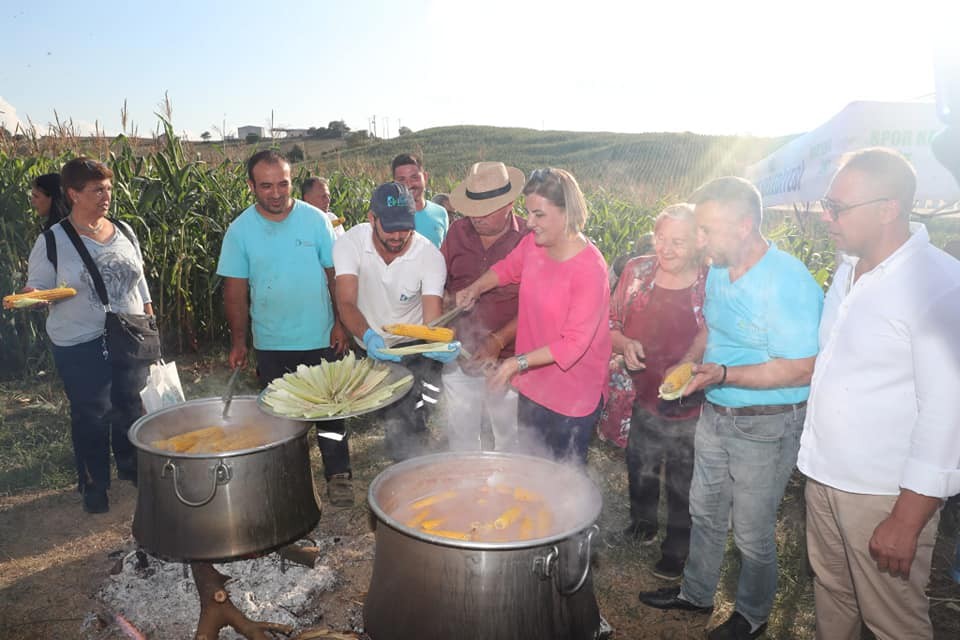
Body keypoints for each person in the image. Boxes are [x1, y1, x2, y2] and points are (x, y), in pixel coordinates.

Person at [638, 176, 823, 640]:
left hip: (766, 424)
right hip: (716, 413)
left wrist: (722, 375)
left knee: (752, 531)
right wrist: (688, 365)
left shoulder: (787, 280)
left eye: (708, 230)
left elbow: (802, 368)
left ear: (744, 226)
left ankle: (752, 615)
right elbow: (713, 333)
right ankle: (696, 594)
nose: (701, 241)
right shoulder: (721, 270)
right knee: (705, 510)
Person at [798, 148, 960, 640]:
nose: (827, 215)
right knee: (833, 596)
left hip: (882, 493)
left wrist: (907, 520)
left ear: (888, 208)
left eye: (837, 207)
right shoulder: (849, 269)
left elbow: (948, 409)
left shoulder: (938, 285)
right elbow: (832, 363)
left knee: (893, 623)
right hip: (824, 477)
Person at [216, 151, 354, 506]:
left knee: (330, 410)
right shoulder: (240, 230)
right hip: (273, 341)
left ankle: (338, 475)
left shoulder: (316, 221)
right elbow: (235, 290)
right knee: (281, 416)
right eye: (266, 186)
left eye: (283, 184)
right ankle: (291, 480)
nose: (276, 193)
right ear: (250, 186)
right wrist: (239, 342)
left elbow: (333, 274)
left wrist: (341, 323)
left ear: (292, 181)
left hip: (321, 336)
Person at [24, 157, 154, 514]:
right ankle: (94, 484)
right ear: (73, 194)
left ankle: (133, 469)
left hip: (129, 336)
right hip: (81, 341)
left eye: (109, 189)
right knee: (93, 414)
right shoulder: (52, 241)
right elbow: (37, 287)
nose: (106, 196)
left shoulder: (124, 230)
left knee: (130, 406)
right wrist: (33, 297)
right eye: (97, 190)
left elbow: (139, 278)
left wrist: (148, 313)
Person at [456, 168, 611, 465]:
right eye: (528, 213)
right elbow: (506, 269)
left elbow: (574, 344)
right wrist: (476, 287)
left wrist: (515, 362)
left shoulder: (590, 269)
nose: (529, 223)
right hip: (533, 384)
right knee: (530, 467)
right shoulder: (533, 246)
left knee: (563, 480)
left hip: (572, 395)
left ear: (567, 214)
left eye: (539, 215)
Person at [608, 204, 707, 581]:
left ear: (699, 241)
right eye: (660, 239)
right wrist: (624, 343)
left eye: (677, 242)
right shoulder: (637, 270)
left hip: (691, 402)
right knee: (640, 463)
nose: (665, 249)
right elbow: (611, 321)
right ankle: (642, 525)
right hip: (641, 393)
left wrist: (687, 364)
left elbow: (712, 330)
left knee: (684, 477)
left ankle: (677, 548)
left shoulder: (710, 280)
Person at [333, 182, 458, 461]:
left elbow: (431, 318)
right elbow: (346, 303)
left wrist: (440, 340)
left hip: (411, 343)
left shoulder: (429, 257)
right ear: (371, 218)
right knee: (389, 411)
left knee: (410, 415)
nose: (398, 236)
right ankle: (402, 453)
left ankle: (411, 461)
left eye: (405, 227)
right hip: (369, 338)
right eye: (389, 227)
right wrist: (368, 337)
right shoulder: (349, 244)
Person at [442, 162, 528, 451]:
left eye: (487, 209)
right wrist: (446, 304)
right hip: (460, 356)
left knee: (510, 439)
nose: (477, 217)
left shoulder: (530, 239)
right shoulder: (456, 233)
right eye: (473, 208)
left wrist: (497, 340)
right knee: (462, 438)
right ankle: (468, 491)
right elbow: (440, 283)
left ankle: (508, 494)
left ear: (510, 204)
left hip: (509, 361)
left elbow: (536, 307)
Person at [391, 153, 448, 248]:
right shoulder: (387, 217)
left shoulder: (441, 213)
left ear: (425, 178)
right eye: (401, 180)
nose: (408, 185)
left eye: (414, 178)